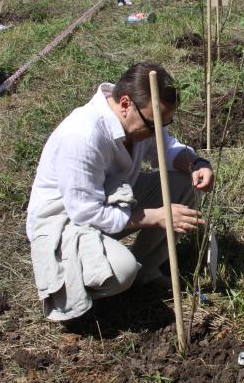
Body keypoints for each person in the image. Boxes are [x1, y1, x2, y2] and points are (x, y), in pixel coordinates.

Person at [26, 62, 214, 323]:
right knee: (121, 271)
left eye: (162, 123)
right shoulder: (83, 136)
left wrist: (196, 164)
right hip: (65, 221)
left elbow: (167, 148)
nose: (155, 131)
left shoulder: (140, 119)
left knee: (183, 185)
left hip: (111, 197)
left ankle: (145, 270)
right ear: (125, 104)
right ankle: (85, 290)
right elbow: (86, 212)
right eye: (151, 124)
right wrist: (156, 216)